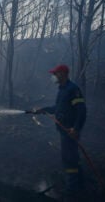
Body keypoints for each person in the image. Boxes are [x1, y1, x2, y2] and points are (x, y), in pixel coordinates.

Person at [35, 64, 86, 199]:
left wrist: (76, 129)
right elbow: (58, 108)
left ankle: (72, 190)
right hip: (65, 132)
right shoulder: (62, 90)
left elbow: (82, 110)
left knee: (69, 160)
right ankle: (80, 184)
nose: (53, 76)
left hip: (70, 131)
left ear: (62, 74)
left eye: (55, 73)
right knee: (72, 158)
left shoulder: (72, 89)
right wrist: (44, 109)